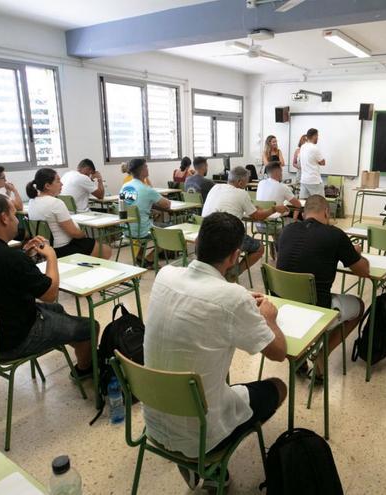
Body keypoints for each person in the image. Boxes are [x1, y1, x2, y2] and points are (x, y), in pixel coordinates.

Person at [143, 212, 287, 489]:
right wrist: (268, 318)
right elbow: (279, 352)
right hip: (200, 436)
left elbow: (205, 294)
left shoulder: (165, 274)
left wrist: (240, 300)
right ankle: (211, 465)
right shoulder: (232, 298)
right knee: (278, 386)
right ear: (235, 256)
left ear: (197, 243)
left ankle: (200, 470)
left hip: (155, 422)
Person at [0, 193, 94, 376]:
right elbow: (50, 294)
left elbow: (3, 273)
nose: (16, 221)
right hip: (14, 341)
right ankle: (84, 371)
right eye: (14, 215)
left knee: (59, 311)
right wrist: (51, 256)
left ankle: (71, 339)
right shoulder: (9, 258)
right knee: (90, 326)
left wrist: (25, 256)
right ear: (4, 218)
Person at [276, 195, 369, 380]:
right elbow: (363, 271)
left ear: (303, 212)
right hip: (317, 311)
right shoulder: (335, 234)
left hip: (283, 309)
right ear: (326, 211)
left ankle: (299, 356)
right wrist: (355, 253)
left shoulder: (286, 231)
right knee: (359, 305)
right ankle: (321, 355)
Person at [202, 166, 288, 280]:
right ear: (239, 182)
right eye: (246, 182)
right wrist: (274, 209)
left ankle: (225, 272)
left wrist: (251, 206)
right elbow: (257, 216)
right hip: (228, 236)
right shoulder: (241, 193)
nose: (246, 185)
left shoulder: (215, 187)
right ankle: (233, 274)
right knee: (259, 248)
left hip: (206, 233)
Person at [26, 168, 111, 259]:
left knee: (90, 243)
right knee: (106, 250)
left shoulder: (32, 202)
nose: (62, 184)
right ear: (47, 185)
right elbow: (74, 232)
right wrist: (83, 234)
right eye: (58, 181)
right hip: (62, 249)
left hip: (44, 248)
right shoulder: (55, 203)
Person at [120, 158, 171, 266]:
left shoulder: (125, 186)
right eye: (146, 166)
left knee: (145, 222)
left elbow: (132, 204)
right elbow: (167, 204)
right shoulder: (147, 189)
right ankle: (150, 259)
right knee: (169, 230)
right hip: (141, 230)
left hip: (126, 228)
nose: (148, 168)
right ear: (143, 170)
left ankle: (139, 257)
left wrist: (147, 207)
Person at [298, 128, 326, 199]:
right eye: (317, 136)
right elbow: (323, 162)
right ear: (314, 136)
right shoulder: (314, 148)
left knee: (304, 203)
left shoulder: (302, 147)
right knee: (320, 203)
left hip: (304, 180)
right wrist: (318, 161)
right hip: (314, 180)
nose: (318, 138)